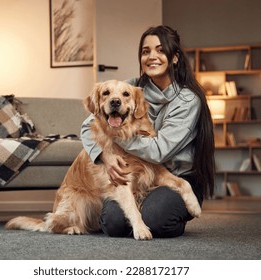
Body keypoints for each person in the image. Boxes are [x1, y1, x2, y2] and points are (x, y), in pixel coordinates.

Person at [80, 25, 215, 238]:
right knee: (113, 223)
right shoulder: (130, 87)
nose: (152, 56)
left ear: (175, 57)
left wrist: (113, 133)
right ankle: (139, 212)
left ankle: (165, 213)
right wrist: (104, 155)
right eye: (145, 51)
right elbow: (89, 126)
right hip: (139, 175)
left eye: (160, 50)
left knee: (156, 219)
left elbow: (159, 151)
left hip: (174, 177)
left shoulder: (188, 101)